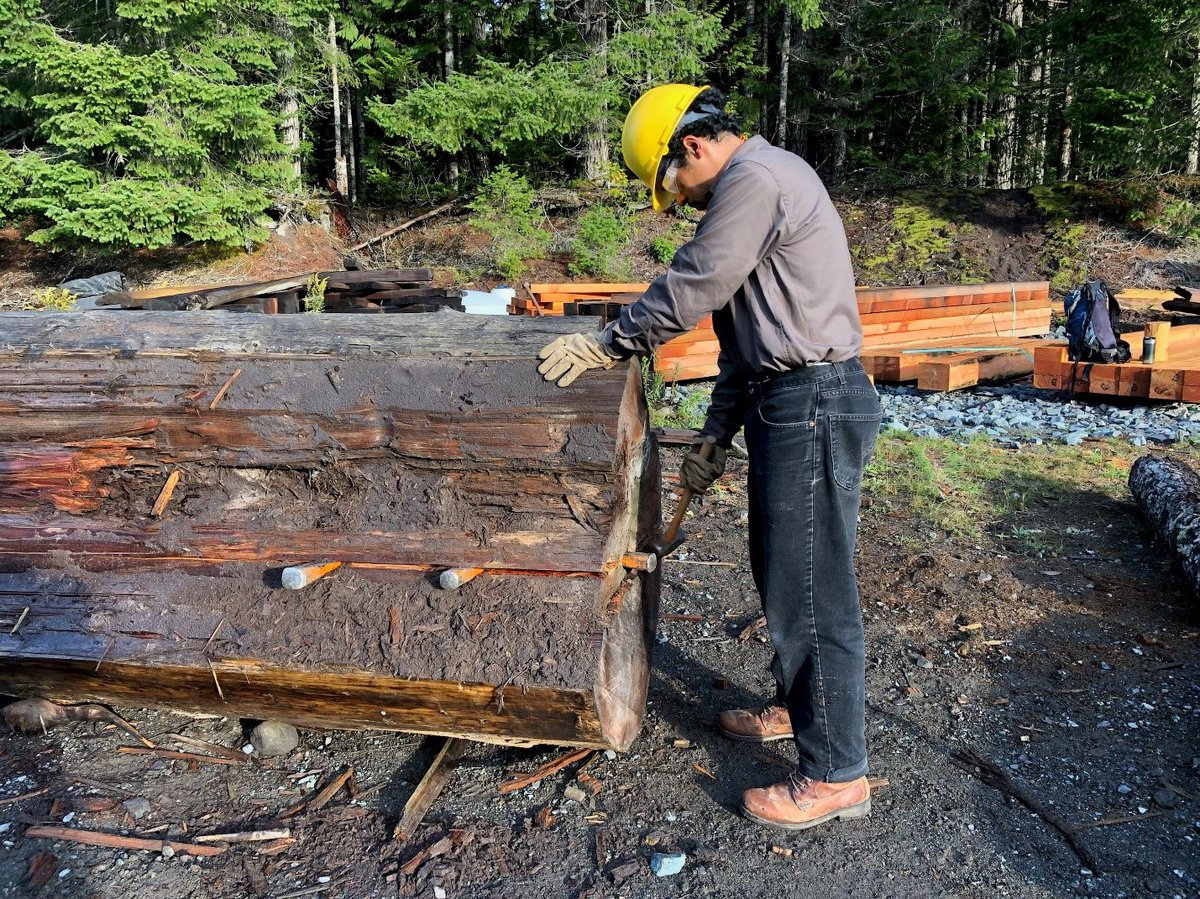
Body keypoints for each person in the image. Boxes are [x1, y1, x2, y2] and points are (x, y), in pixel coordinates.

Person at [536, 84, 882, 831]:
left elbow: (696, 282)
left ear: (689, 147)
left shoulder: (756, 180)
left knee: (813, 589)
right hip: (787, 399)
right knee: (782, 570)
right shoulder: (755, 187)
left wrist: (609, 341)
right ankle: (802, 709)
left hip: (814, 398)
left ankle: (837, 772)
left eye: (670, 187)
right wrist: (716, 437)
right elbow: (742, 342)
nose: (680, 201)